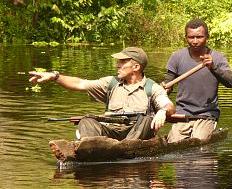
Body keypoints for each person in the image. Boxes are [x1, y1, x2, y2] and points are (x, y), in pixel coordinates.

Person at [29, 47, 175, 141]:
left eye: (122, 62)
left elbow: (168, 106)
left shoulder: (152, 87)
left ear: (136, 67)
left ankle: (123, 149)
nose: (117, 65)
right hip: (112, 130)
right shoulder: (111, 83)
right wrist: (55, 77)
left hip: (137, 135)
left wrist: (162, 112)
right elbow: (80, 83)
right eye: (118, 61)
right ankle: (88, 148)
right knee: (87, 120)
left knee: (147, 121)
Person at [162, 18, 232, 143]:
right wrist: (163, 89)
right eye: (191, 37)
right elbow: (169, 82)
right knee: (174, 145)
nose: (195, 41)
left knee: (199, 145)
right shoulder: (177, 56)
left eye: (199, 37)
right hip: (182, 114)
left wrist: (213, 67)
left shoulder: (217, 57)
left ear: (207, 37)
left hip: (206, 115)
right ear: (186, 37)